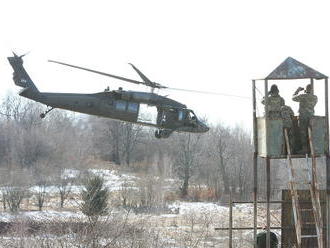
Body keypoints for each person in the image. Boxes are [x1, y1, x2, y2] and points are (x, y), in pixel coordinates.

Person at [292, 84, 317, 153]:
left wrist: (298, 90)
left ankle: (305, 149)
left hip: (303, 117)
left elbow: (293, 98)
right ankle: (311, 148)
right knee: (311, 133)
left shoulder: (303, 96)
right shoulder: (315, 97)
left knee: (303, 133)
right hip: (311, 117)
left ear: (306, 89)